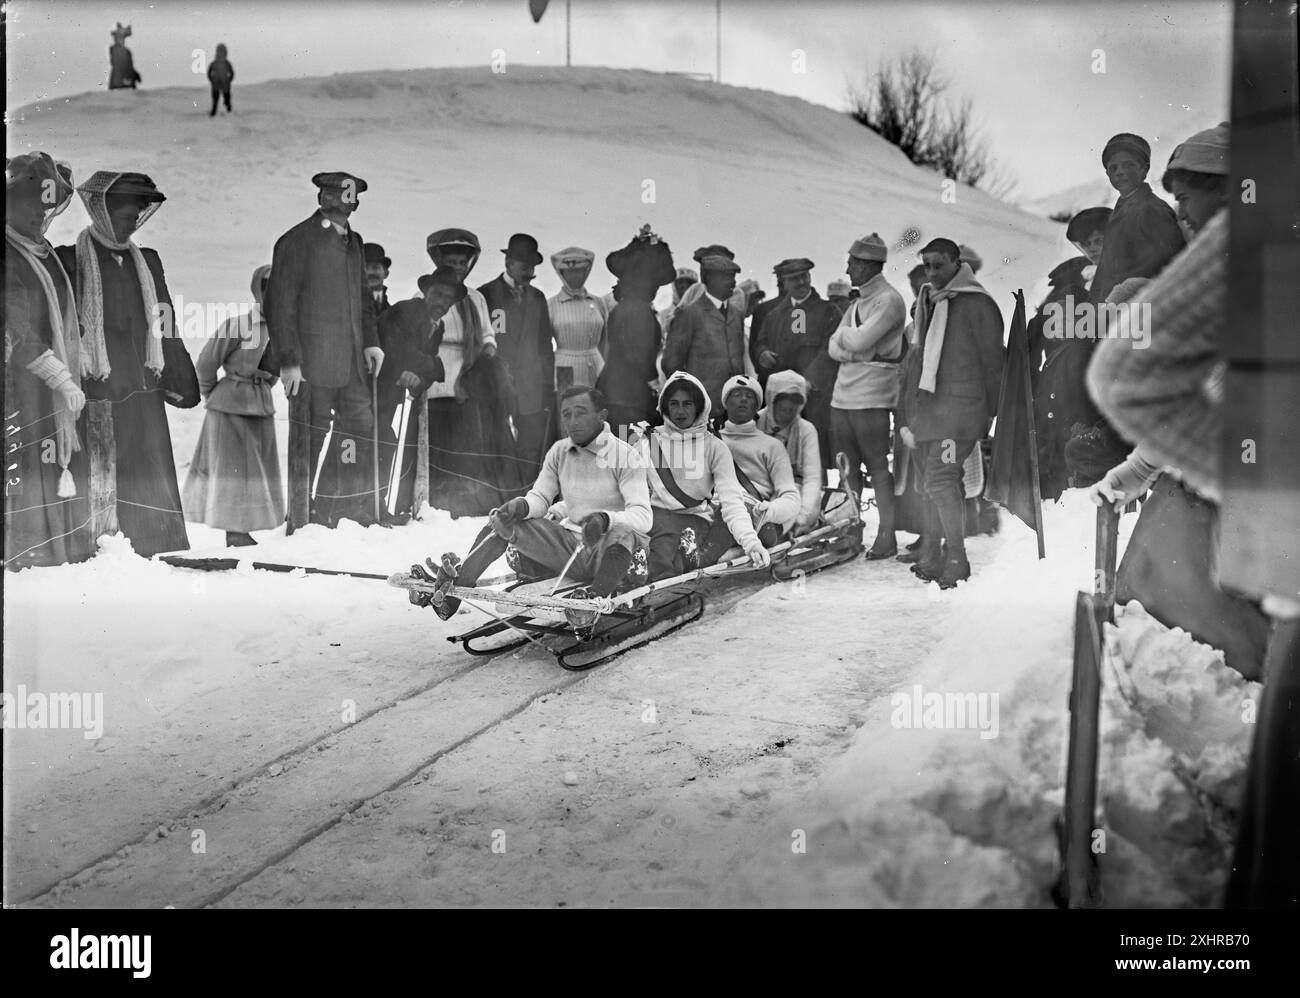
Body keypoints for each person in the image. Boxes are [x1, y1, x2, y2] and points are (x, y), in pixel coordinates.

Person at [411, 385, 652, 619]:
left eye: (581, 413)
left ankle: (591, 602)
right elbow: (541, 496)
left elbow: (643, 516)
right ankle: (451, 596)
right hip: (570, 549)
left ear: (601, 416)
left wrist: (604, 519)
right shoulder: (560, 453)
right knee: (503, 522)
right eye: (567, 414)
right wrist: (522, 507)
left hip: (612, 554)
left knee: (622, 533)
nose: (573, 421)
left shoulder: (626, 456)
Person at [56, 171, 200, 558]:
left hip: (143, 381)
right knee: (102, 466)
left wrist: (179, 376)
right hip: (98, 386)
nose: (131, 221)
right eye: (124, 213)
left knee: (147, 465)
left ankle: (155, 545)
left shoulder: (148, 262)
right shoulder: (71, 260)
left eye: (136, 213)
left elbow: (165, 320)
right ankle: (100, 548)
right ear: (102, 212)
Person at [268, 171, 384, 528]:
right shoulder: (296, 241)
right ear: (320, 198)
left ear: (355, 203)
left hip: (351, 362)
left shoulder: (356, 244)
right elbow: (280, 303)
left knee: (359, 427)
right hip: (312, 362)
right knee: (312, 433)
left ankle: (341, 506)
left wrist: (371, 341)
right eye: (332, 194)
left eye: (346, 196)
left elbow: (362, 298)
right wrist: (289, 361)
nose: (339, 202)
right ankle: (302, 512)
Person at [4, 153, 95, 570]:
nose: (40, 216)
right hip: (18, 383)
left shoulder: (47, 254)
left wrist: (79, 359)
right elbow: (15, 326)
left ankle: (57, 546)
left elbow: (66, 315)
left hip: (47, 385)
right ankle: (27, 548)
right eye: (31, 206)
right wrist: (58, 375)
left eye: (46, 208)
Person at [896, 238, 1004, 589]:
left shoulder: (978, 305)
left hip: (959, 414)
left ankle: (957, 558)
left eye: (938, 265)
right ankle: (933, 550)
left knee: (940, 481)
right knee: (930, 484)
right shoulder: (926, 302)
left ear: (958, 264)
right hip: (926, 411)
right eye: (926, 266)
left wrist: (989, 415)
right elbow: (916, 360)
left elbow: (993, 364)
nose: (931, 273)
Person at [182, 264, 284, 546]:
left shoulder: (284, 329)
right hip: (229, 408)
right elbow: (205, 364)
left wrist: (261, 389)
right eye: (266, 286)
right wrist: (214, 395)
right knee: (233, 471)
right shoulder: (238, 325)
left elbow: (275, 372)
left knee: (259, 470)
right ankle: (235, 532)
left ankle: (251, 525)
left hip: (260, 405)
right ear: (256, 290)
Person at [633, 372, 770, 580]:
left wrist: (752, 543)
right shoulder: (648, 442)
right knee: (648, 549)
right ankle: (634, 576)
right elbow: (630, 491)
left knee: (673, 559)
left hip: (693, 520)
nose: (680, 411)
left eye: (687, 404)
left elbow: (732, 502)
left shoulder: (714, 447)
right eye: (674, 404)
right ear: (665, 407)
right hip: (655, 519)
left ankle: (656, 579)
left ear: (699, 406)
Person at [422, 228, 519, 517]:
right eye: (451, 263)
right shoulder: (425, 294)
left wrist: (484, 359)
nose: (457, 269)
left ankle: (469, 503)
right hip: (438, 378)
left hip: (469, 381)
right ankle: (439, 504)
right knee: (441, 442)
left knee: (468, 442)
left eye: (462, 264)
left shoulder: (476, 298)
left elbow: (489, 337)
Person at [827, 233, 909, 559]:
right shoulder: (859, 302)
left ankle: (886, 535)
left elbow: (856, 342)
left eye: (852, 263)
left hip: (873, 395)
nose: (848, 270)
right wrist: (854, 346)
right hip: (843, 395)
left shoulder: (889, 300)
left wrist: (853, 346)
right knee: (846, 468)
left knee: (876, 466)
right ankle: (851, 531)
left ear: (868, 265)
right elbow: (834, 348)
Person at [1027, 206, 1112, 500]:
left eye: (1098, 241)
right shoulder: (1074, 281)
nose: (1092, 249)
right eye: (1087, 244)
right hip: (1067, 390)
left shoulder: (1123, 277)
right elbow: (1036, 337)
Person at [375, 270, 457, 521]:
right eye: (438, 294)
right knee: (373, 440)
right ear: (426, 292)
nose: (442, 303)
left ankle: (376, 508)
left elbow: (419, 367)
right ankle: (362, 508)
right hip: (370, 385)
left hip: (391, 389)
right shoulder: (407, 311)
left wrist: (419, 377)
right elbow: (399, 352)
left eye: (449, 299)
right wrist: (435, 366)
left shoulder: (438, 325)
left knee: (383, 440)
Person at [751, 257, 842, 469]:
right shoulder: (774, 316)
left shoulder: (828, 311)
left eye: (804, 276)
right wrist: (762, 353)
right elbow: (759, 343)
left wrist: (808, 381)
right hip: (780, 401)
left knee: (812, 458)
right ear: (784, 282)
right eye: (794, 279)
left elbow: (830, 351)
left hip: (814, 400)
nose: (801, 282)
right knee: (776, 455)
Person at [480, 233, 557, 480]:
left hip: (531, 385)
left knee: (530, 443)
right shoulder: (487, 295)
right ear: (508, 263)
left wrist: (547, 384)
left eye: (533, 267)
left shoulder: (537, 298)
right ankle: (502, 494)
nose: (530, 271)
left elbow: (545, 344)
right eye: (525, 266)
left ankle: (527, 494)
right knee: (499, 440)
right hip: (498, 383)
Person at [702, 375, 800, 564]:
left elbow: (791, 498)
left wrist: (769, 510)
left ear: (757, 406)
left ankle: (700, 562)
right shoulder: (709, 442)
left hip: (760, 521)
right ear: (725, 402)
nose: (743, 399)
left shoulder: (772, 446)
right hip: (714, 511)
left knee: (730, 510)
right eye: (736, 394)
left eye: (750, 395)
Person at [1089, 131, 1186, 303]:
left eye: (1128, 165)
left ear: (1145, 169)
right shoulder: (1118, 212)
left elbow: (1172, 264)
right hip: (1110, 311)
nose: (1119, 172)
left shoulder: (1154, 209)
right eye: (1113, 168)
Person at [598, 226, 676, 437]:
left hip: (618, 394)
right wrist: (654, 384)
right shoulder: (639, 311)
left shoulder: (625, 307)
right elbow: (639, 355)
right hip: (630, 398)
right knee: (630, 452)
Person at [662, 252, 746, 419]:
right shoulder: (689, 314)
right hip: (703, 408)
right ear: (710, 280)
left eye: (734, 277)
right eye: (727, 277)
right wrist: (689, 399)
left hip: (733, 410)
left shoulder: (736, 314)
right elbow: (671, 363)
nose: (734, 282)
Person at [757, 370, 823, 535]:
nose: (787, 415)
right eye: (783, 410)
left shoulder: (806, 430)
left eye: (792, 410)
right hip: (759, 488)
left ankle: (775, 533)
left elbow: (812, 478)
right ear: (772, 403)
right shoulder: (755, 424)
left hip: (793, 492)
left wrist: (803, 516)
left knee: (789, 502)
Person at [547, 246, 608, 393]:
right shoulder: (552, 304)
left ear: (586, 272)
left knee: (597, 407)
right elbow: (545, 344)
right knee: (569, 407)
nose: (575, 276)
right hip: (565, 367)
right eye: (570, 272)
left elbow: (605, 341)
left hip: (596, 365)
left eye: (579, 272)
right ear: (562, 273)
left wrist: (607, 368)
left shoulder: (598, 302)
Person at [108, 23, 141, 90]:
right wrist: (134, 76)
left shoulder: (115, 50)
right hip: (124, 85)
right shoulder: (121, 51)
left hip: (117, 85)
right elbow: (126, 66)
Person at [364, 242, 392, 315]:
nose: (370, 272)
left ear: (386, 273)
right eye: (365, 268)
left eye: (375, 267)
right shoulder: (347, 307)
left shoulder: (393, 312)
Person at [207, 43, 234, 116]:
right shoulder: (217, 63)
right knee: (217, 101)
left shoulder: (224, 63)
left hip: (222, 84)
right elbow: (209, 73)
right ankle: (217, 113)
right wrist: (212, 80)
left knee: (226, 100)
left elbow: (231, 73)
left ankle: (226, 112)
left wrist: (228, 81)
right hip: (219, 84)